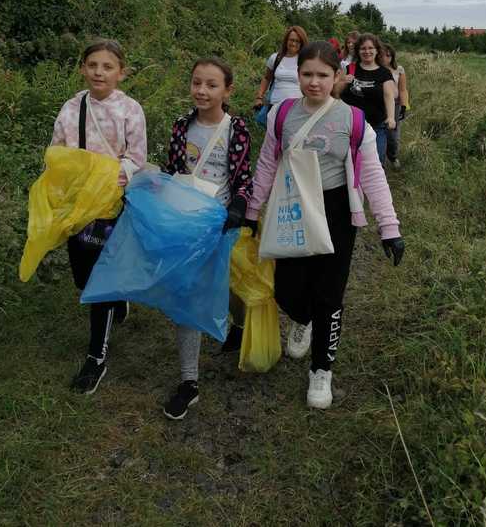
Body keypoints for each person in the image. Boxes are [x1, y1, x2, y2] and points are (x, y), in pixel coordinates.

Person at [245, 41, 404, 410]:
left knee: (329, 293)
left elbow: (373, 176)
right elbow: (267, 164)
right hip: (292, 207)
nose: (314, 82)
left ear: (337, 77)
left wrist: (389, 227)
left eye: (322, 75)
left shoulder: (353, 121)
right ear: (297, 74)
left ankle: (322, 369)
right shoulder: (281, 115)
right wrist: (253, 210)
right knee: (286, 289)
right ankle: (303, 320)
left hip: (336, 211)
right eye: (306, 74)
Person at [51, 38, 147, 395]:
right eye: (93, 65)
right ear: (82, 68)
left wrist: (105, 179)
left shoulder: (130, 110)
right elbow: (58, 151)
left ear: (121, 72)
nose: (99, 72)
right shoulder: (72, 107)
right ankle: (118, 297)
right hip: (78, 204)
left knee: (98, 281)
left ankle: (96, 357)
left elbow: (136, 158)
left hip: (111, 204)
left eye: (107, 66)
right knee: (82, 277)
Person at [163, 57, 253, 420]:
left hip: (220, 223)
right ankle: (189, 382)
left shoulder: (237, 129)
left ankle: (241, 321)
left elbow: (243, 176)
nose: (202, 90)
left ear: (227, 90)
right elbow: (172, 170)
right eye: (196, 82)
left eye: (211, 84)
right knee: (190, 293)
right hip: (187, 220)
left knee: (224, 283)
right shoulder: (181, 126)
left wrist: (239, 209)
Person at [338, 33, 396, 166]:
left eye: (370, 48)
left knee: (376, 161)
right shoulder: (349, 69)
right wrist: (343, 82)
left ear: (376, 50)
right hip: (349, 125)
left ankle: (373, 186)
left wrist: (391, 117)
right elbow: (335, 93)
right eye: (363, 48)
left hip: (376, 125)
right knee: (348, 162)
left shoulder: (384, 72)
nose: (367, 51)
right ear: (358, 51)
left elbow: (389, 95)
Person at [253, 26, 308, 116]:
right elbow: (267, 78)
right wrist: (259, 97)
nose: (294, 43)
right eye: (291, 40)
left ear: (302, 43)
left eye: (297, 41)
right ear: (286, 40)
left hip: (297, 108)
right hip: (275, 106)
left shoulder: (305, 60)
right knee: (273, 130)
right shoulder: (275, 58)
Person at [379, 43, 408, 170]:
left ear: (392, 57)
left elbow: (402, 89)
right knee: (378, 132)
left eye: (388, 56)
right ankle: (379, 162)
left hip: (394, 104)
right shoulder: (375, 69)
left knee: (393, 135)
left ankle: (393, 156)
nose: (385, 58)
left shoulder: (399, 70)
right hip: (378, 104)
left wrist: (403, 105)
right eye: (382, 55)